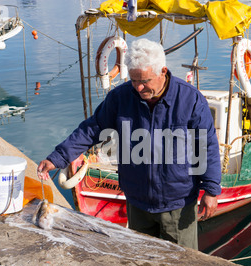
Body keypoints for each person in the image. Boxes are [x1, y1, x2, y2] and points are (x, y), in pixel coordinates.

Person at [37, 38, 221, 249]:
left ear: (163, 71)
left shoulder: (190, 100)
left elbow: (206, 146)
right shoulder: (121, 97)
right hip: (137, 202)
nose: (139, 87)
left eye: (145, 81)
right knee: (140, 263)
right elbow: (92, 128)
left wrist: (211, 189)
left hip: (177, 204)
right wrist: (57, 158)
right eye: (134, 80)